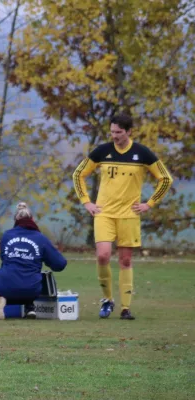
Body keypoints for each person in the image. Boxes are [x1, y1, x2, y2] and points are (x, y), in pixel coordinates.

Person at [73, 114, 173, 320]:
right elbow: (78, 174)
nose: (115, 136)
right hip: (104, 213)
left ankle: (125, 308)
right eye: (112, 132)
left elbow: (165, 179)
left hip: (129, 214)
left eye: (119, 132)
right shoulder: (102, 151)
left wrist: (149, 204)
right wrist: (87, 202)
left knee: (125, 260)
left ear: (129, 132)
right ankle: (107, 300)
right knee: (103, 255)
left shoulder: (142, 153)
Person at [0, 203, 67, 319]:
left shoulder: (6, 236)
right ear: (32, 219)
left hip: (5, 286)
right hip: (32, 290)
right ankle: (30, 308)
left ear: (16, 220)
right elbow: (60, 264)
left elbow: (4, 259)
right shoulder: (41, 238)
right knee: (32, 275)